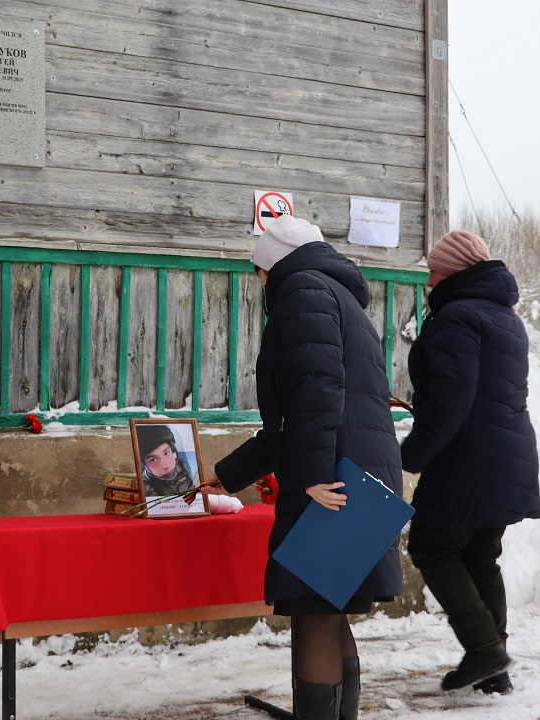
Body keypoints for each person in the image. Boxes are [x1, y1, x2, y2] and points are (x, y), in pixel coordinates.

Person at [204, 215, 404, 720]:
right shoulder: (339, 296)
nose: (261, 284)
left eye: (259, 273)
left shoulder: (302, 291)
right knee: (330, 610)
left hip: (334, 474)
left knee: (315, 611)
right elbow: (292, 419)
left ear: (271, 265)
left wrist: (314, 473)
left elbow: (317, 392)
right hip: (357, 467)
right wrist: (230, 474)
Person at [400, 230, 540, 694]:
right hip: (506, 453)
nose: (429, 281)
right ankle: (494, 668)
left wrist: (410, 457)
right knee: (481, 554)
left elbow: (449, 404)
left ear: (454, 273)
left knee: (433, 545)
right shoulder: (504, 318)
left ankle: (484, 650)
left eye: (434, 272)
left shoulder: (457, 318)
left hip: (469, 457)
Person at [137, 423, 198, 497]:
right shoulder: (146, 488)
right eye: (153, 460)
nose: (166, 465)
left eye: (166, 453)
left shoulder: (183, 465)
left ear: (172, 450)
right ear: (144, 464)